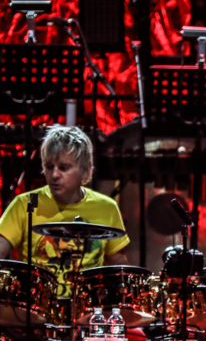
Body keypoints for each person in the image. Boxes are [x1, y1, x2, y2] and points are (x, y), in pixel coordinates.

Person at [0, 125, 129, 297]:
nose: (54, 175)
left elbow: (119, 269)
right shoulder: (25, 204)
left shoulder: (107, 207)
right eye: (49, 167)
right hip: (36, 305)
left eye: (63, 167)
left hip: (87, 307)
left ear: (84, 170)